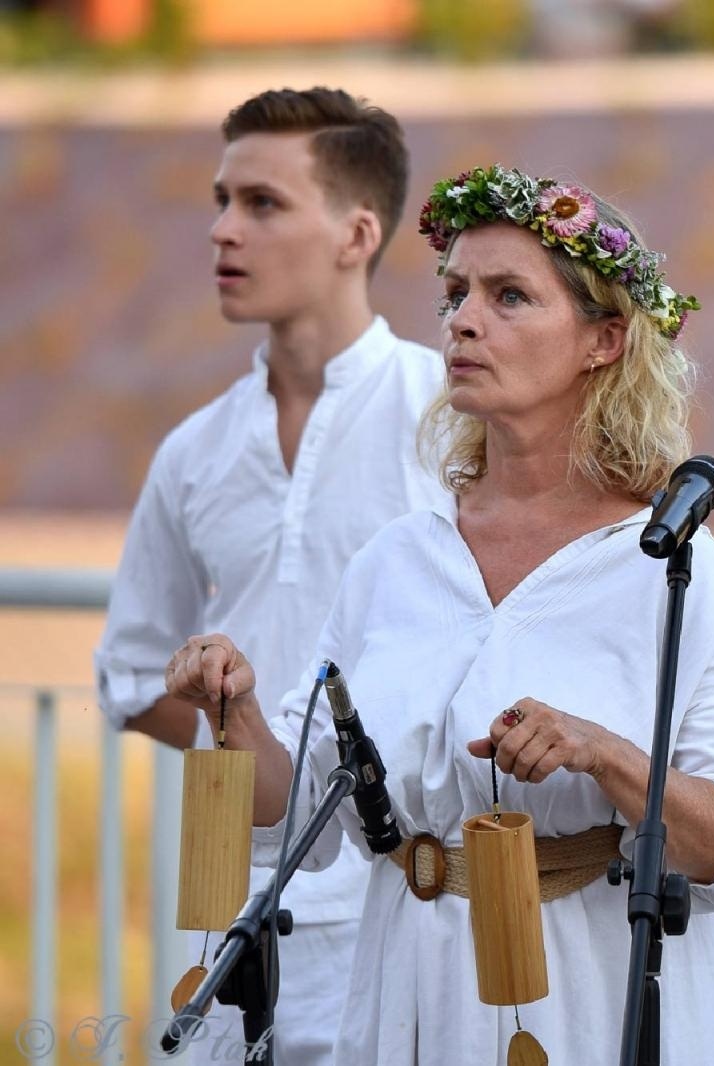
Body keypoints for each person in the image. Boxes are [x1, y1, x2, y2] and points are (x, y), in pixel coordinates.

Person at [163, 164, 714, 1065]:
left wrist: (607, 754)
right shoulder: (396, 563)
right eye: (456, 292)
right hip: (404, 993)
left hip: (584, 996)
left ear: (604, 340)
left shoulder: (674, 568)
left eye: (509, 297)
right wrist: (235, 711)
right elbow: (290, 810)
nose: (463, 319)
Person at [93, 87, 446, 1062]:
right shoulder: (195, 450)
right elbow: (126, 675)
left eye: (262, 203)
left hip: (404, 901)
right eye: (220, 199)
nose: (221, 229)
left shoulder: (453, 419)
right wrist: (232, 731)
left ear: (355, 232)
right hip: (230, 905)